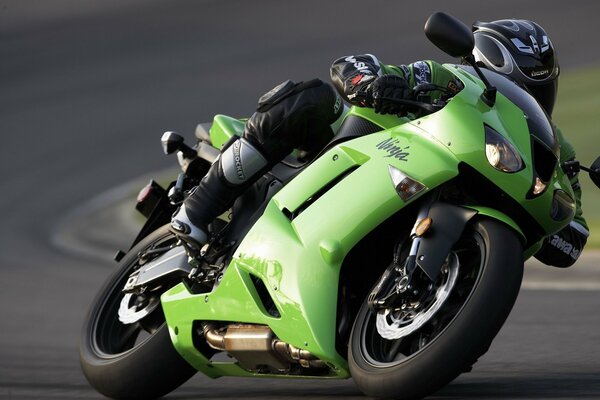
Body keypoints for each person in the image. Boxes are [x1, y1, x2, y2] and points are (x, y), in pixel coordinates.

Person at [171, 18, 588, 268]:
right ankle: (199, 208)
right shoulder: (449, 78)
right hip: (368, 151)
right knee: (313, 98)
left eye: (536, 77)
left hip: (451, 193)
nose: (527, 87)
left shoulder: (556, 149)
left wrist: (558, 221)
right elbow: (353, 66)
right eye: (521, 73)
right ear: (483, 61)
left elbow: (573, 234)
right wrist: (370, 80)